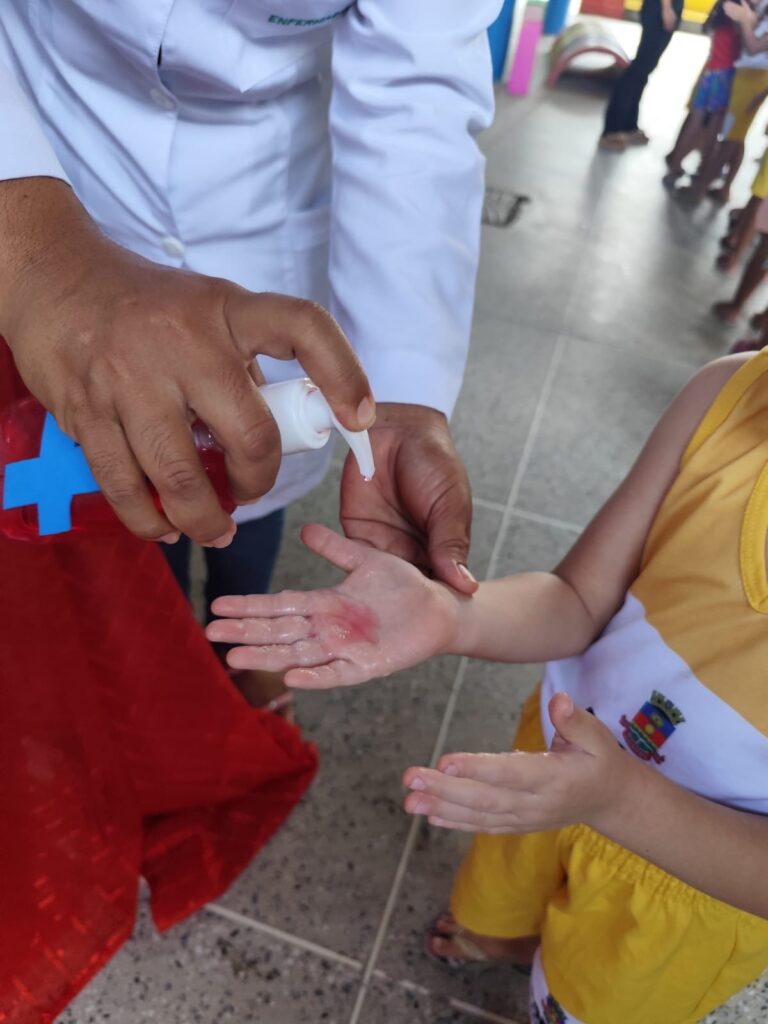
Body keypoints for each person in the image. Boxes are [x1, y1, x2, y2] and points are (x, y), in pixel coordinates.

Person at [207, 352, 768, 1024]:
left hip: (695, 881)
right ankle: (506, 935)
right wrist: (452, 616)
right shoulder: (728, 393)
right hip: (550, 769)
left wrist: (620, 799)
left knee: (592, 997)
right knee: (501, 892)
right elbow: (578, 598)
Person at [0, 2, 495, 707]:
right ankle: (174, 645)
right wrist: (41, 255)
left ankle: (230, 633)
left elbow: (418, 84)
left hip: (257, 190)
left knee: (254, 472)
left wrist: (404, 392)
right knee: (130, 495)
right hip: (54, 147)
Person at [684, 0, 768, 204]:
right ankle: (719, 186)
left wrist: (744, 19)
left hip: (754, 80)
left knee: (731, 138)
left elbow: (754, 47)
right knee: (734, 136)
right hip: (744, 75)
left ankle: (701, 188)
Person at [663, 0, 741, 188]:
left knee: (695, 122)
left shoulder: (719, 15)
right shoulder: (737, 22)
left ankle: (674, 167)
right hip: (724, 78)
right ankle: (703, 172)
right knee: (713, 128)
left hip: (709, 73)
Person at [600, 0, 683, 151]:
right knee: (640, 68)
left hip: (669, 7)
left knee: (645, 68)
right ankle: (612, 129)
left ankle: (628, 125)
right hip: (660, 8)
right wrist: (666, 7)